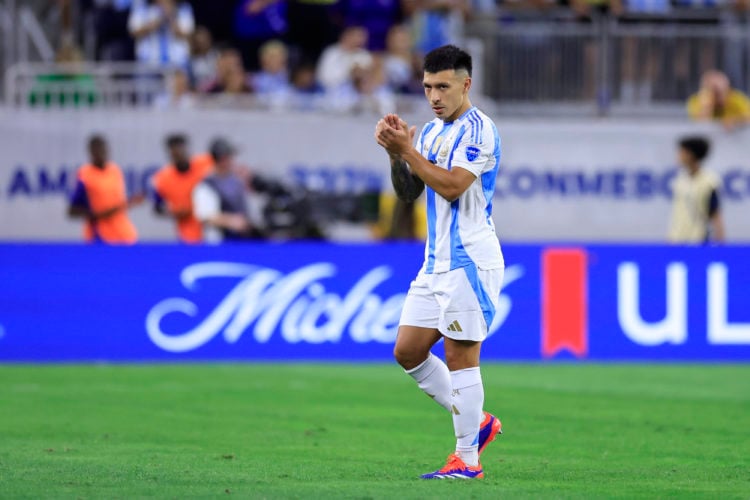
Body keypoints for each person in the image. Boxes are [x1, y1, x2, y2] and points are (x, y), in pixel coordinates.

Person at [373, 44, 503, 480]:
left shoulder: (479, 131)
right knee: (407, 351)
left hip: (469, 261)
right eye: (428, 87)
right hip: (435, 264)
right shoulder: (428, 133)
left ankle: (467, 460)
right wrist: (397, 154)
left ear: (466, 84)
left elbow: (451, 187)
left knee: (461, 354)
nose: (434, 96)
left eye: (443, 86)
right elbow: (410, 193)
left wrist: (407, 152)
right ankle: (479, 420)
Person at [68, 135, 143, 244]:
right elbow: (73, 211)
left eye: (103, 149)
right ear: (90, 152)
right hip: (99, 236)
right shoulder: (84, 175)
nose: (100, 154)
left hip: (123, 234)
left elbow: (118, 203)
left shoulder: (115, 171)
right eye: (96, 150)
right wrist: (101, 215)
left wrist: (130, 202)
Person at [192, 138, 263, 242]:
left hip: (242, 239)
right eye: (228, 157)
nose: (231, 160)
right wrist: (231, 221)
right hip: (221, 241)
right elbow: (206, 216)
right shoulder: (207, 185)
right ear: (221, 159)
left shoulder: (236, 180)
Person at [151, 134, 214, 243]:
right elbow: (157, 208)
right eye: (175, 152)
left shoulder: (205, 163)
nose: (179, 155)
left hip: (213, 227)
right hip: (188, 233)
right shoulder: (162, 179)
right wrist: (173, 212)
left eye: (181, 149)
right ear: (170, 153)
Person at [669, 136, 726, 244]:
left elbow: (715, 213)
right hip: (676, 240)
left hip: (698, 241)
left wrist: (721, 242)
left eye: (682, 152)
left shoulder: (709, 182)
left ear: (690, 154)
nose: (678, 155)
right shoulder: (680, 180)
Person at [128, 0, 195, 69]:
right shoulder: (143, 7)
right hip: (148, 61)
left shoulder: (183, 8)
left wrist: (171, 18)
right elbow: (133, 32)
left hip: (177, 61)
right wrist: (156, 22)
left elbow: (188, 34)